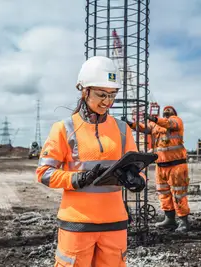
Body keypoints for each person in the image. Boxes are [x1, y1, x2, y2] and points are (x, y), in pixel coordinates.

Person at [36, 56, 146, 267]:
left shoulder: (123, 129)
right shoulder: (64, 128)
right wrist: (78, 179)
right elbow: (44, 173)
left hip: (115, 223)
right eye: (101, 95)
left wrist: (137, 180)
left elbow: (137, 167)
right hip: (77, 225)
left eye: (112, 95)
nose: (108, 102)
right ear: (84, 91)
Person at [126, 106, 190, 232]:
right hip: (160, 166)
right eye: (165, 110)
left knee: (178, 194)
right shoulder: (155, 125)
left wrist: (153, 118)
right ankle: (169, 219)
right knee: (164, 193)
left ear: (174, 113)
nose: (167, 111)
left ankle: (184, 221)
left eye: (170, 110)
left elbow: (169, 123)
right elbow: (143, 128)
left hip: (176, 165)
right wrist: (131, 124)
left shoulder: (176, 121)